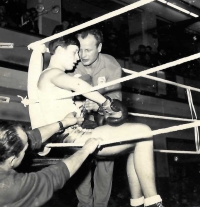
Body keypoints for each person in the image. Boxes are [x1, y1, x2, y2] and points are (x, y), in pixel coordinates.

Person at [28, 36, 165, 207]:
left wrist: (82, 107)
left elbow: (61, 106)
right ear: (59, 50)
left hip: (72, 135)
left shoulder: (50, 78)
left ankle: (138, 202)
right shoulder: (52, 73)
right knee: (144, 132)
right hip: (75, 137)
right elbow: (79, 85)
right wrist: (106, 103)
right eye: (74, 51)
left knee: (137, 143)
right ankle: (153, 202)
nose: (77, 57)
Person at [0, 114, 101, 207]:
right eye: (25, 150)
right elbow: (53, 177)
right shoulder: (10, 187)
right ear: (12, 160)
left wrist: (63, 123)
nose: (29, 146)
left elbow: (32, 137)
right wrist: (86, 150)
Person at [73, 28, 122, 207]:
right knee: (80, 159)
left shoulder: (112, 66)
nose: (82, 54)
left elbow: (117, 104)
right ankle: (84, 204)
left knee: (106, 163)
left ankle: (101, 205)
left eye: (88, 49)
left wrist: (101, 105)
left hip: (103, 119)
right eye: (79, 49)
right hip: (78, 119)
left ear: (99, 47)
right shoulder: (72, 62)